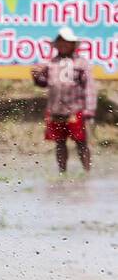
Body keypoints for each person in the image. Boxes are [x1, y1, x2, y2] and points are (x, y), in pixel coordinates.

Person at [32, 28, 97, 174]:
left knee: (81, 142)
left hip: (75, 109)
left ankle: (87, 172)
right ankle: (63, 172)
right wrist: (36, 76)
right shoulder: (51, 63)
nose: (64, 45)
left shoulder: (81, 63)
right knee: (59, 143)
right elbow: (44, 83)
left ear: (73, 45)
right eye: (61, 43)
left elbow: (89, 87)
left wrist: (90, 109)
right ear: (57, 45)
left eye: (67, 43)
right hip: (55, 109)